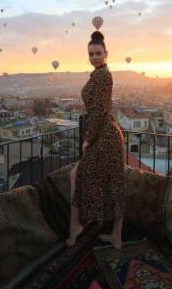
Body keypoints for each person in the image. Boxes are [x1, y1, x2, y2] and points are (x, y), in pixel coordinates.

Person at [65, 31, 126, 250]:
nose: (94, 57)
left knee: (77, 175)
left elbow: (99, 112)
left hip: (103, 136)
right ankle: (115, 236)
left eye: (98, 53)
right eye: (90, 54)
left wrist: (88, 140)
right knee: (113, 182)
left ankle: (76, 227)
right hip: (106, 134)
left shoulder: (102, 76)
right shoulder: (100, 74)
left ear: (106, 53)